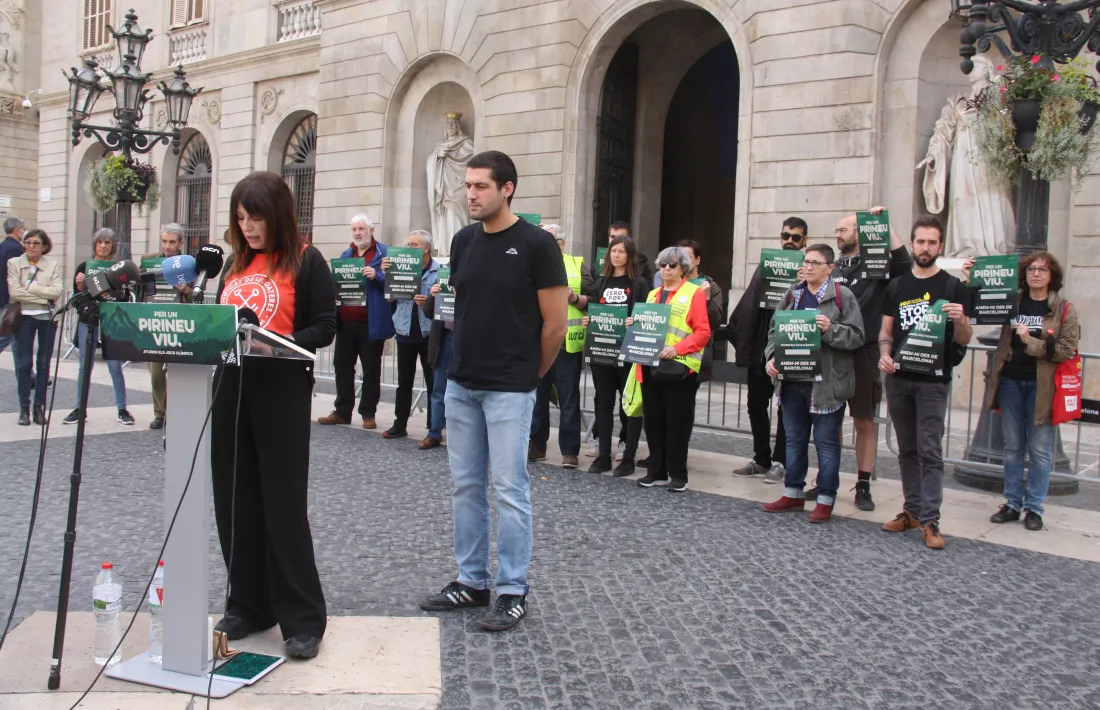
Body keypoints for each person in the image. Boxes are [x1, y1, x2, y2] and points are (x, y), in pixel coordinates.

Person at [419, 150, 568, 632]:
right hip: (462, 384)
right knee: (466, 486)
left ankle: (511, 589)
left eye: (481, 185)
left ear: (507, 188)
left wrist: (530, 375)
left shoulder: (536, 245)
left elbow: (556, 324)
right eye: (467, 186)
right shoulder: (463, 242)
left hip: (510, 388)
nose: (471, 194)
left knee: (509, 490)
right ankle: (471, 580)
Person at [212, 171, 336, 659]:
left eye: (256, 217)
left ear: (278, 214)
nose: (248, 226)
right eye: (241, 217)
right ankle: (248, 604)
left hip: (281, 393)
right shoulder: (232, 263)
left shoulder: (307, 260)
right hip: (230, 390)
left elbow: (324, 327)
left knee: (283, 506)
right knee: (235, 500)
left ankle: (301, 618)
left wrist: (275, 343)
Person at [878, 215, 973, 550]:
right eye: (920, 241)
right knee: (907, 450)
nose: (925, 247)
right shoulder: (898, 286)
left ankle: (931, 520)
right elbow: (886, 333)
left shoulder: (952, 287)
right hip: (899, 379)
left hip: (933, 381)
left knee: (930, 451)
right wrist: (884, 353)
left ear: (940, 246)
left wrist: (961, 321)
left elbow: (964, 337)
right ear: (914, 243)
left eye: (932, 242)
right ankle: (912, 510)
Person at [972, 252, 1079, 531]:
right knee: (1012, 448)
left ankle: (1034, 508)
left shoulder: (1063, 309)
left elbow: (1066, 349)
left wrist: (1030, 341)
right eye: (1032, 269)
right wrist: (973, 275)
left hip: (1042, 388)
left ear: (1052, 275)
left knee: (1040, 450)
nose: (1037, 274)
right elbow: (980, 302)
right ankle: (1011, 503)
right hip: (1010, 382)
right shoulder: (1013, 301)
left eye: (1043, 270)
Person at [762, 244, 865, 523]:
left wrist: (831, 330)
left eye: (815, 263)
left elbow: (857, 336)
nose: (808, 267)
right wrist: (771, 358)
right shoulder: (793, 293)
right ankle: (793, 493)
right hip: (792, 382)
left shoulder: (843, 296)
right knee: (794, 441)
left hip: (826, 385)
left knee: (826, 444)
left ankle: (825, 499)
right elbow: (774, 330)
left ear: (830, 268)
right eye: (806, 262)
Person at [826, 206, 911, 511]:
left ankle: (863, 483)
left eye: (844, 229)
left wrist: (883, 225)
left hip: (864, 350)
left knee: (864, 420)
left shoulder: (876, 265)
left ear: (860, 233)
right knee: (828, 417)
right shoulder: (832, 269)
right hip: (831, 351)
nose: (838, 234)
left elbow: (903, 262)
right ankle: (827, 479)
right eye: (837, 230)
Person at [728, 217, 807, 482]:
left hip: (791, 346)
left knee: (787, 407)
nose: (789, 241)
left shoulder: (808, 268)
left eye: (795, 237)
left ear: (804, 240)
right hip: (761, 346)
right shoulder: (765, 266)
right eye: (786, 236)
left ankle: (781, 461)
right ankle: (761, 457)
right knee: (755, 404)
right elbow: (750, 304)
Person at [630, 246, 711, 492]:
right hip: (650, 366)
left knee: (677, 423)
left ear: (683, 268)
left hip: (680, 368)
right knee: (653, 422)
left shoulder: (693, 293)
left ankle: (678, 474)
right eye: (663, 264)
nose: (666, 269)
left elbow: (703, 332)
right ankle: (656, 471)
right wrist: (634, 324)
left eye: (672, 265)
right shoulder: (653, 294)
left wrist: (678, 349)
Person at [580, 234, 649, 475]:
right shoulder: (601, 283)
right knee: (604, 402)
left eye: (621, 251)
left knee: (629, 405)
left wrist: (636, 320)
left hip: (627, 353)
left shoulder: (638, 283)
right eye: (613, 251)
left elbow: (646, 316)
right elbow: (596, 310)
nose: (616, 255)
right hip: (602, 351)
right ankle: (603, 456)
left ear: (629, 255)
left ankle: (628, 457)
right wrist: (590, 320)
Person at [317, 214, 394, 428]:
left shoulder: (384, 252)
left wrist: (377, 275)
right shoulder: (346, 253)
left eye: (361, 228)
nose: (358, 233)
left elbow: (397, 284)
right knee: (342, 367)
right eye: (354, 229)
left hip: (371, 322)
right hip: (346, 322)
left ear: (371, 230)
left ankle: (368, 413)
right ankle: (342, 410)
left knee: (370, 370)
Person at [529, 226, 593, 468]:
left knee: (568, 398)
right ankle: (537, 445)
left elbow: (596, 297)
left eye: (551, 239)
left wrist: (577, 298)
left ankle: (570, 451)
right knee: (538, 397)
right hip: (538, 340)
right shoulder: (533, 261)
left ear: (562, 244)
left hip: (567, 342)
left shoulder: (577, 265)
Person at [64, 228, 134, 426]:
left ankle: (122, 409)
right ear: (94, 244)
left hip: (111, 318)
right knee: (85, 366)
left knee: (115, 366)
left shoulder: (118, 267)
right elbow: (77, 298)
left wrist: (120, 290)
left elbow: (124, 297)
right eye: (100, 242)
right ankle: (80, 408)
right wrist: (79, 285)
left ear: (113, 246)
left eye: (108, 243)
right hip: (89, 316)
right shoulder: (85, 266)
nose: (103, 246)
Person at [382, 230, 439, 439]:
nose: (409, 248)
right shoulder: (399, 266)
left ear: (426, 248)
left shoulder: (438, 271)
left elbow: (445, 301)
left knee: (433, 383)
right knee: (404, 382)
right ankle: (400, 424)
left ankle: (434, 427)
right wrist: (387, 275)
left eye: (413, 245)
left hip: (428, 333)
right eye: (407, 244)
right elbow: (389, 298)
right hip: (405, 330)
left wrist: (429, 301)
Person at [7, 229, 62, 426]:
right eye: (28, 242)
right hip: (23, 318)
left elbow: (57, 291)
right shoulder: (14, 263)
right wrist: (43, 296)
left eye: (36, 243)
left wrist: (32, 289)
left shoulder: (52, 265)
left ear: (44, 246)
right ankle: (24, 408)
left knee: (44, 364)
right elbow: (15, 293)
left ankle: (39, 407)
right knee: (23, 365)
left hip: (47, 318)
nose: (31, 246)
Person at [142, 224, 191, 430]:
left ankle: (178, 411)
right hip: (155, 323)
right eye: (164, 241)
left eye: (172, 242)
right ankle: (160, 412)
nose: (167, 246)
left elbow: (196, 297)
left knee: (179, 372)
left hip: (179, 324)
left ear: (180, 243)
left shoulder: (189, 265)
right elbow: (142, 290)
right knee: (155, 373)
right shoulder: (150, 261)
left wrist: (186, 290)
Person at [423, 258, 454, 450]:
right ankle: (434, 432)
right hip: (445, 339)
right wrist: (432, 296)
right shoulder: (443, 274)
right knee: (439, 389)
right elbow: (427, 312)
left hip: (470, 340)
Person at [0, 216, 27, 357]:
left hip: (4, 299)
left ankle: (27, 376)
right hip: (10, 301)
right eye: (24, 229)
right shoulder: (16, 249)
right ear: (17, 231)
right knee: (6, 335)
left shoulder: (2, 246)